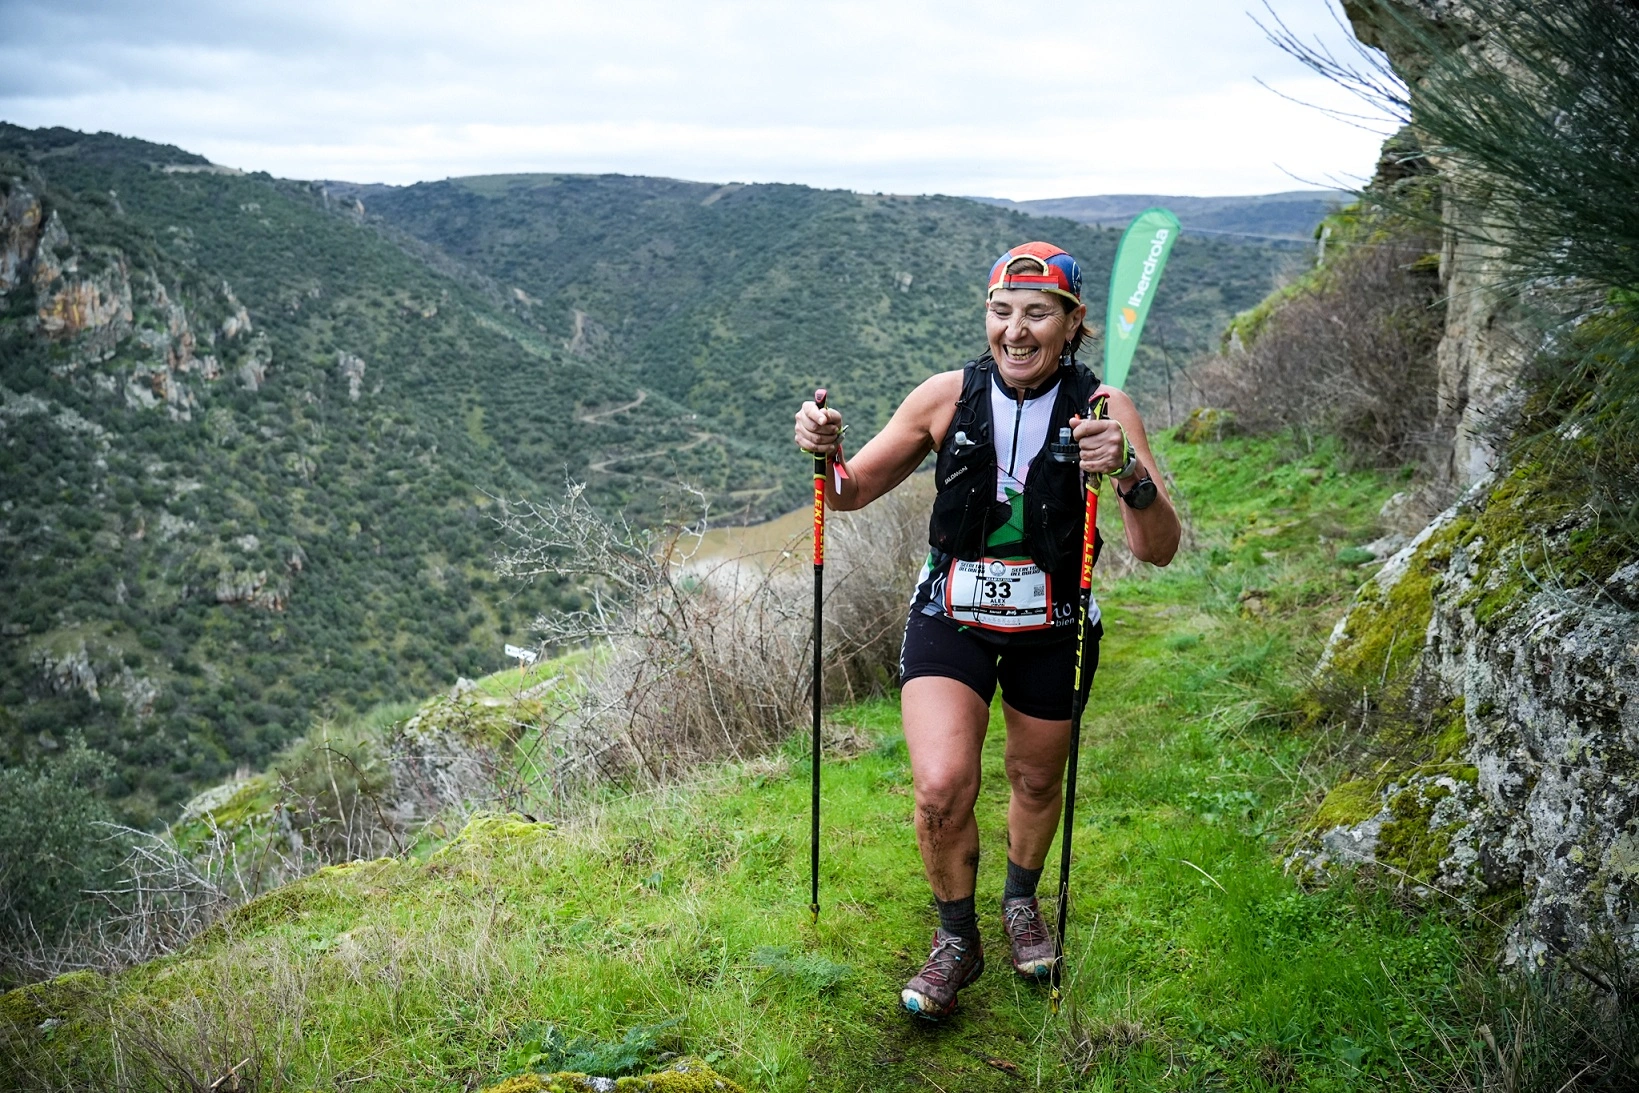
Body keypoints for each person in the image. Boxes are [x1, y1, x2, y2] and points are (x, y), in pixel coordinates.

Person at [793, 242, 1181, 1019]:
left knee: (1035, 780)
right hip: (951, 616)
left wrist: (1129, 475)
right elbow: (849, 491)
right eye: (1000, 311)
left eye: (1037, 313)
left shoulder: (1105, 408)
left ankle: (1018, 900)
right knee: (940, 787)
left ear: (1071, 325)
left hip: (1054, 625)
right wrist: (824, 450)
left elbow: (1157, 548)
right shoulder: (944, 396)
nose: (1015, 330)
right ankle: (955, 939)